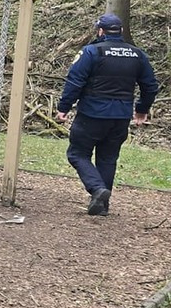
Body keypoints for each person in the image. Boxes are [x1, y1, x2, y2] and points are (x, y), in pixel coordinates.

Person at [56, 13, 160, 216]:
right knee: (108, 158)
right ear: (120, 31)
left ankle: (97, 190)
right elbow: (150, 86)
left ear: (100, 31)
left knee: (77, 153)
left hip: (92, 114)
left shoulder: (91, 52)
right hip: (120, 117)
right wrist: (141, 110)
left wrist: (64, 107)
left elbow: (75, 81)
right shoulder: (137, 55)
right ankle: (102, 206)